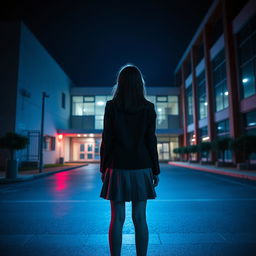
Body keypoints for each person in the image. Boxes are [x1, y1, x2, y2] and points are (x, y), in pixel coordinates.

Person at [99, 64, 160, 256]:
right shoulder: (148, 108)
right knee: (140, 218)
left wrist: (103, 168)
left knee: (116, 219)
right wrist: (155, 170)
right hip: (142, 166)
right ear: (139, 84)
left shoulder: (111, 106)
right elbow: (151, 141)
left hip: (116, 166)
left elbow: (107, 139)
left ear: (120, 83)